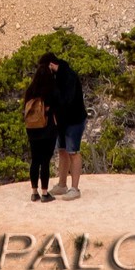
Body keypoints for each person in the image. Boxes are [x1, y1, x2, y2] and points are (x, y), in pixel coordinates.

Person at [24, 52, 61, 202]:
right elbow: (56, 107)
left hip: (32, 128)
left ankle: (34, 192)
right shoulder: (51, 89)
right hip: (48, 128)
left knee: (35, 160)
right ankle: (45, 192)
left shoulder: (30, 90)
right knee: (45, 160)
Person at [49, 53, 87, 198]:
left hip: (74, 121)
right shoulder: (58, 76)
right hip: (63, 121)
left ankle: (75, 188)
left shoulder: (69, 76)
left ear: (51, 65)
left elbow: (68, 101)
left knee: (73, 152)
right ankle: (62, 185)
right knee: (62, 151)